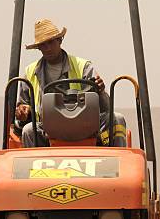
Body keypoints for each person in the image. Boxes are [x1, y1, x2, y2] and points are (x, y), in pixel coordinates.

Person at [16, 19, 126, 147]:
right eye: (43, 45)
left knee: (117, 118)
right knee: (28, 130)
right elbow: (22, 109)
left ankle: (119, 162)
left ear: (60, 40)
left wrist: (100, 91)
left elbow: (105, 107)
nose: (48, 48)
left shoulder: (83, 67)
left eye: (51, 42)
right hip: (48, 130)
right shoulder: (30, 72)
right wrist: (23, 112)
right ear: (38, 48)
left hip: (86, 126)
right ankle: (35, 165)